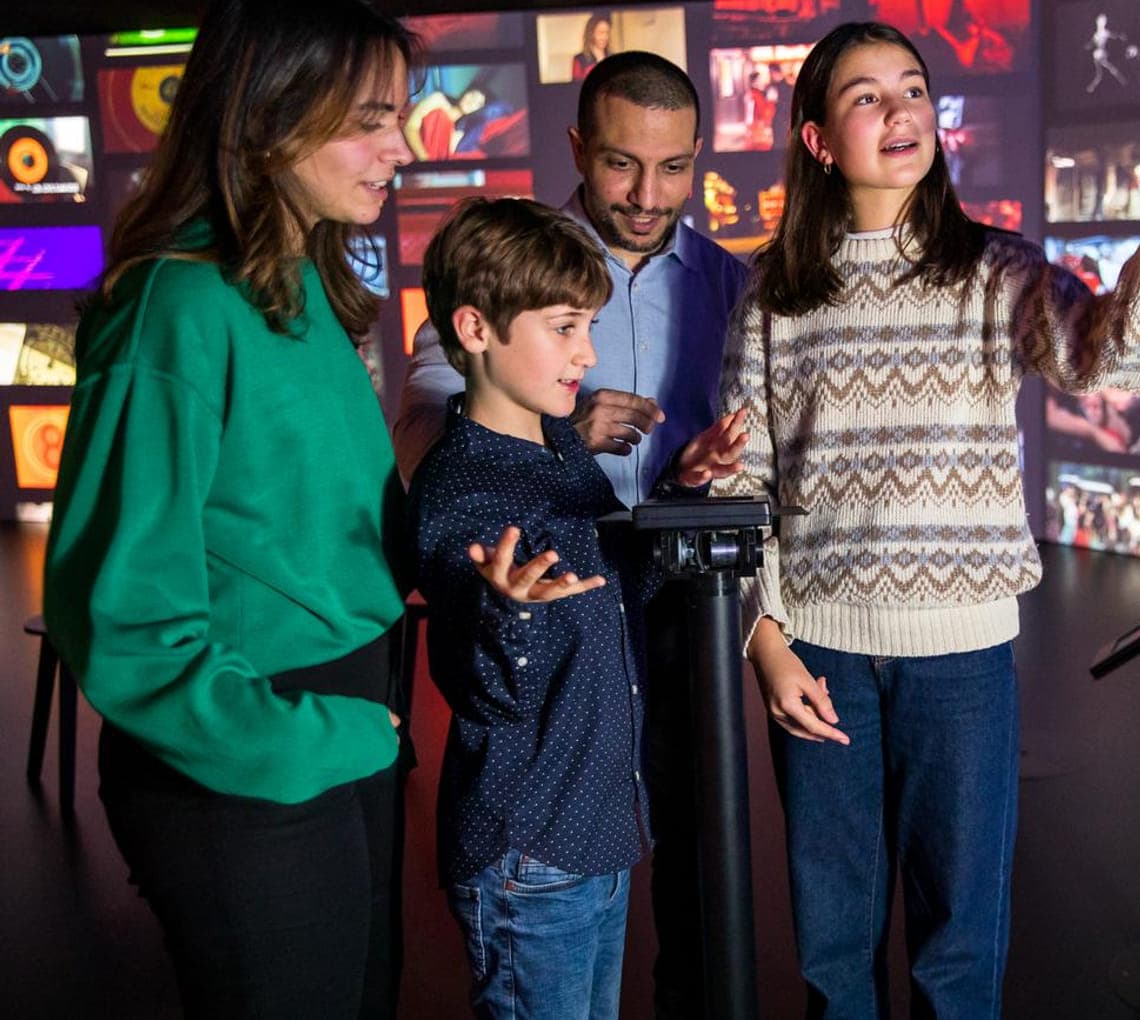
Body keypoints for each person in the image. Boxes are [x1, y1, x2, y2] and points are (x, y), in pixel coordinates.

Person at [711, 21, 1140, 1015]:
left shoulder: (998, 269)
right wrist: (765, 640)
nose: (900, 110)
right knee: (832, 949)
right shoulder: (773, 292)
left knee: (957, 950)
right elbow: (744, 483)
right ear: (817, 138)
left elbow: (1114, 356)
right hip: (818, 655)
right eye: (866, 96)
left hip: (960, 659)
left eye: (912, 88)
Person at [43, 2, 416, 1015]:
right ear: (270, 117)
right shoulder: (175, 306)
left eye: (400, 115)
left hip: (343, 732)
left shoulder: (298, 278)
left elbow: (310, 527)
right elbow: (122, 625)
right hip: (252, 764)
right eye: (371, 121)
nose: (402, 148)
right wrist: (304, 737)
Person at [393, 51, 749, 1020]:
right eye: (623, 164)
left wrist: (683, 484)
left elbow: (610, 572)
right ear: (580, 149)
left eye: (674, 167)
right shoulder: (479, 456)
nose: (648, 194)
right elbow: (486, 676)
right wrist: (555, 440)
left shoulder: (729, 284)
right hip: (534, 824)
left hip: (620, 743)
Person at [572, 12, 611, 81]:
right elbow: (576, 85)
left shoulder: (612, 57)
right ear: (591, 33)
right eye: (601, 32)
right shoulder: (579, 59)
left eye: (607, 33)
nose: (605, 37)